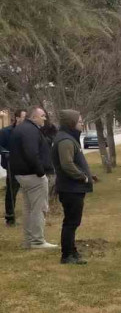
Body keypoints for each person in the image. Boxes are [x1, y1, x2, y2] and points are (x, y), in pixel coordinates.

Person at [51, 110, 97, 264]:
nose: (82, 123)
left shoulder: (70, 138)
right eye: (79, 121)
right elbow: (67, 164)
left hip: (73, 188)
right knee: (71, 222)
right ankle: (67, 255)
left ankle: (72, 251)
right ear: (71, 123)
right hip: (70, 188)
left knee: (73, 221)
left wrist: (89, 175)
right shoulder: (65, 140)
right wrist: (82, 176)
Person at [9, 106, 55, 249]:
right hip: (32, 175)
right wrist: (41, 172)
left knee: (29, 208)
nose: (45, 118)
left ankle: (29, 240)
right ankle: (37, 241)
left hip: (22, 175)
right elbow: (31, 153)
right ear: (34, 117)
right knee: (38, 208)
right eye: (42, 116)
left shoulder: (21, 128)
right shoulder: (30, 130)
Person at [0, 108, 27, 226]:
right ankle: (10, 218)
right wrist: (5, 152)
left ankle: (32, 216)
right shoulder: (6, 132)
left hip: (28, 165)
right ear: (17, 118)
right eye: (24, 117)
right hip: (12, 165)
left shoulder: (28, 131)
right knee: (12, 191)